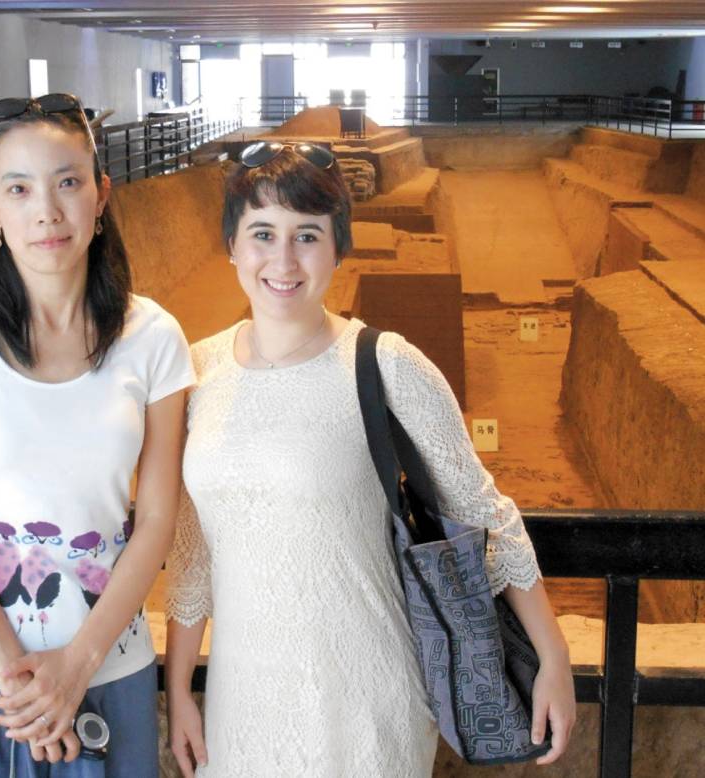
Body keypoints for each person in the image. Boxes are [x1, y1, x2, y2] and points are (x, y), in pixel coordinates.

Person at [164, 142, 576, 777]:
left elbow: (482, 511)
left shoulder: (386, 364)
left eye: (307, 235)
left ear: (337, 248)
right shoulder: (195, 370)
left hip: (367, 692)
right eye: (262, 233)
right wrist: (182, 692)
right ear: (233, 247)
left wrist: (551, 654)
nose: (283, 259)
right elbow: (193, 551)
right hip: (242, 700)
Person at [0, 92, 194, 777]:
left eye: (68, 182)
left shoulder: (153, 339)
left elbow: (155, 520)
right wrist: (24, 681)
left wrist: (77, 666)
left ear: (102, 195)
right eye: (19, 188)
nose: (47, 210)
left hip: (107, 669)